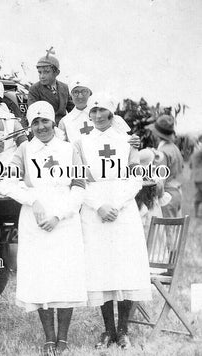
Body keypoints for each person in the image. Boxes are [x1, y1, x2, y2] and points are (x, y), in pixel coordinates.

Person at [0, 101, 87, 356]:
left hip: (64, 219)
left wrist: (58, 214)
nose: (41, 126)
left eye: (44, 121)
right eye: (35, 122)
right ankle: (49, 337)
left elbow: (79, 187)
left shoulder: (69, 149)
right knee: (42, 276)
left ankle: (64, 338)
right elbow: (6, 183)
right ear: (30, 125)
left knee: (64, 275)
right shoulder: (24, 149)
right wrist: (32, 200)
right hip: (34, 220)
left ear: (53, 122)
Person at [73, 94, 151, 350]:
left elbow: (136, 178)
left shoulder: (127, 142)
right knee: (101, 267)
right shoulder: (81, 143)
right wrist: (99, 206)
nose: (96, 116)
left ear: (111, 113)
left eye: (101, 111)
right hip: (95, 211)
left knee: (124, 265)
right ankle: (108, 330)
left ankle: (124, 330)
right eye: (93, 112)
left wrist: (115, 204)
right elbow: (79, 181)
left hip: (123, 209)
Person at [27, 48, 74, 125]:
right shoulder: (34, 89)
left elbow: (72, 109)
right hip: (46, 128)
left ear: (57, 73)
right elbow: (33, 112)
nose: (42, 76)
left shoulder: (64, 87)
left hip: (64, 126)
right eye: (40, 72)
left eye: (46, 72)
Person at [149, 114, 184, 217]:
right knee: (175, 230)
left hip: (167, 196)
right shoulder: (174, 148)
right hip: (177, 192)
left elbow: (159, 183)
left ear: (156, 134)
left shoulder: (162, 153)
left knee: (167, 231)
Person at [190, 147, 202, 216]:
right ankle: (196, 213)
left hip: (197, 177)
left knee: (199, 194)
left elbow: (190, 166)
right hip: (200, 177)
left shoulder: (195, 152)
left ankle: (196, 213)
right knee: (199, 194)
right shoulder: (199, 152)